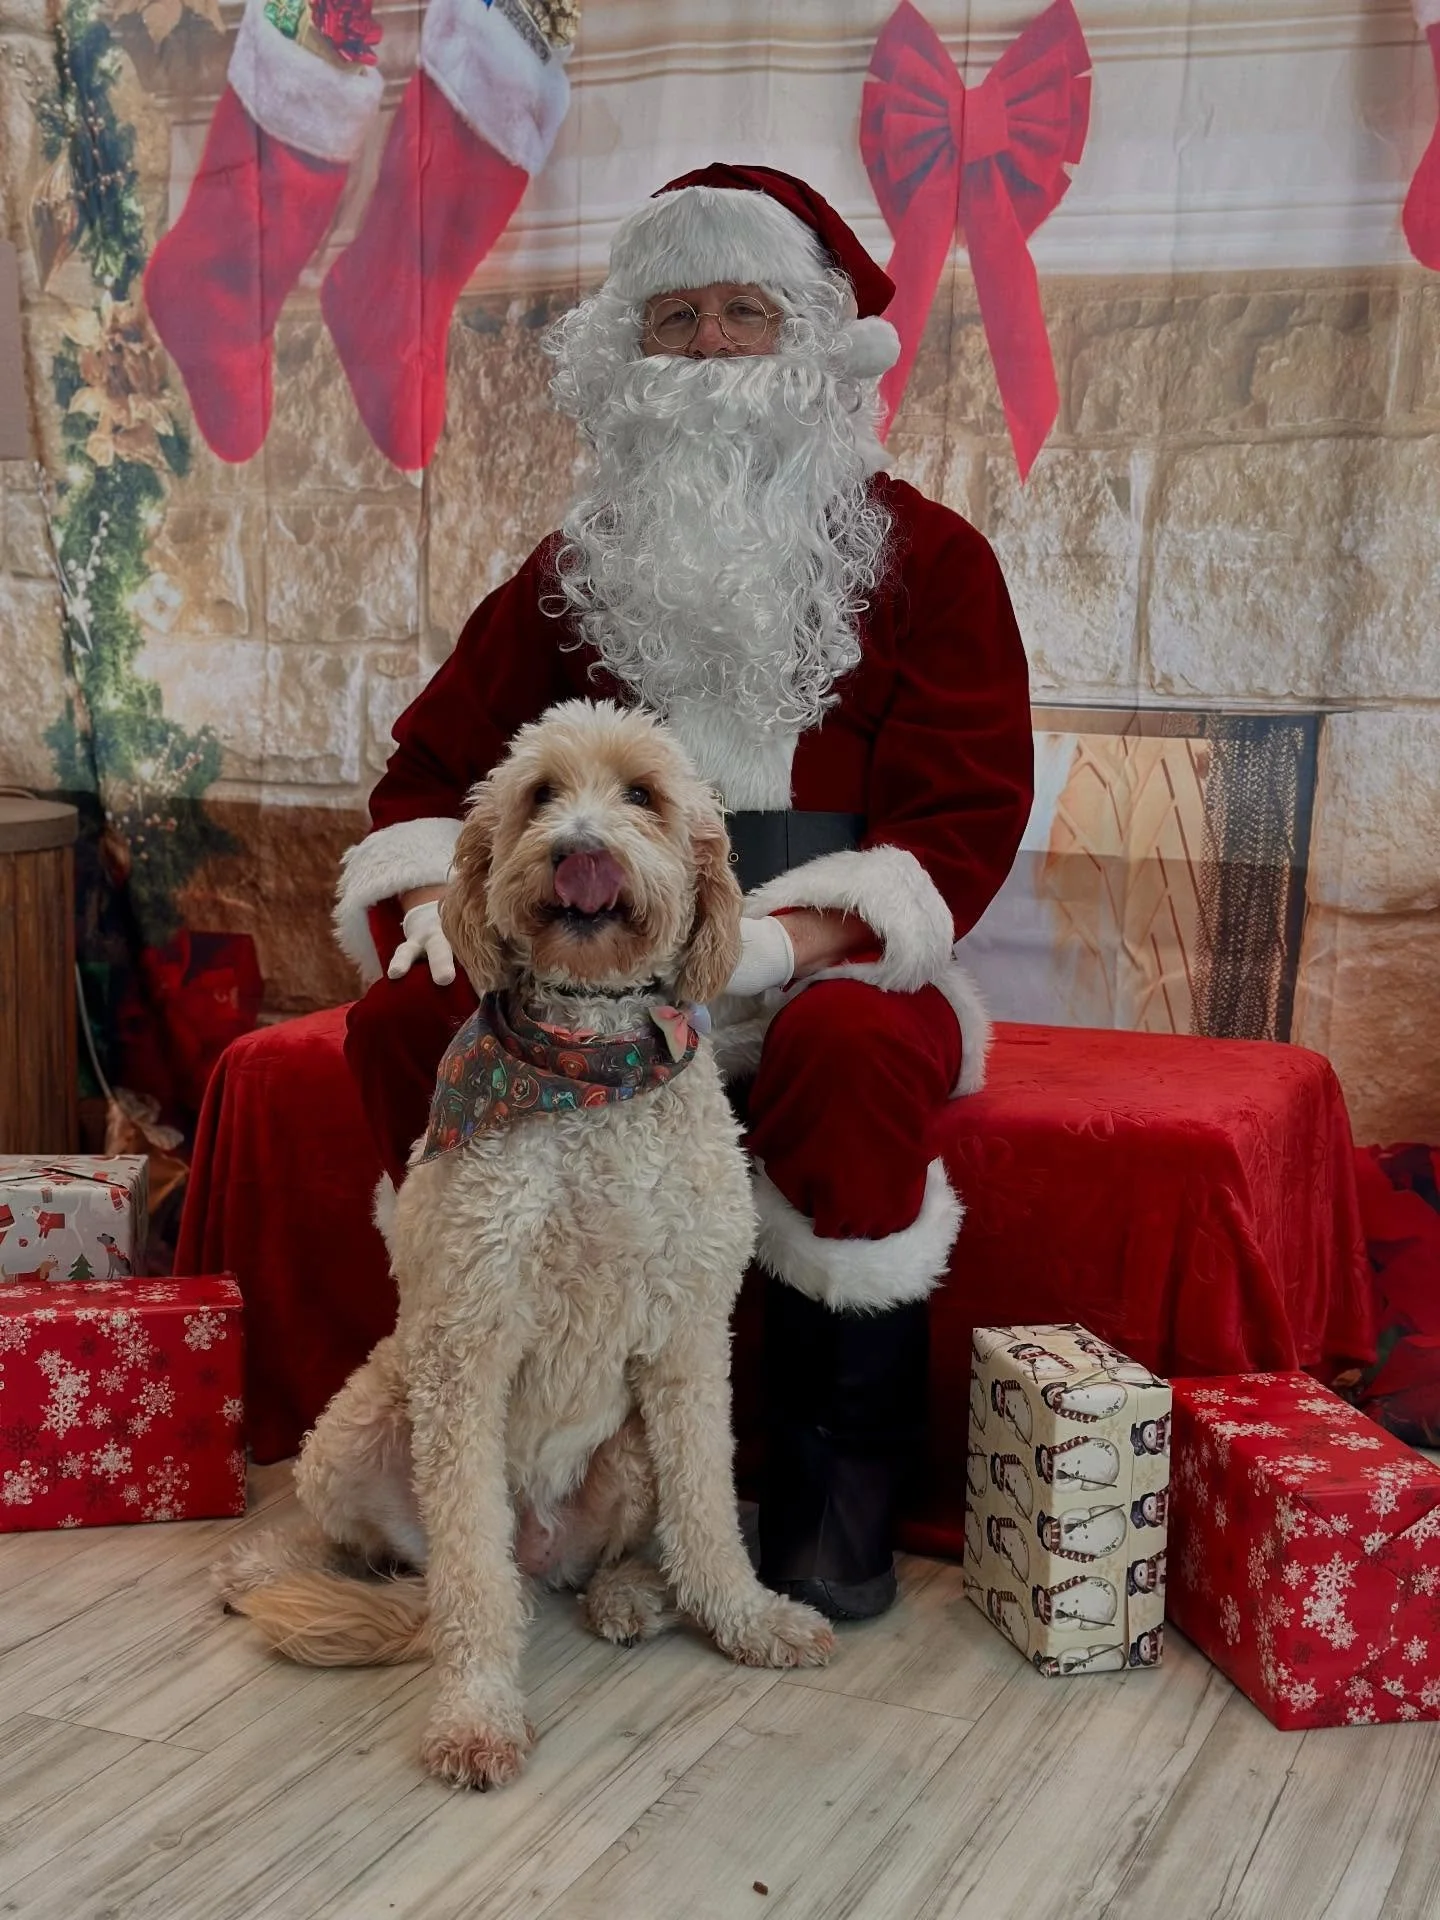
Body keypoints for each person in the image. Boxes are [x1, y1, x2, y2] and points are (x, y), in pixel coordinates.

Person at [335, 161, 1034, 1622]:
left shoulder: (933, 563)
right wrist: (425, 910)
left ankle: (831, 1488)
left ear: (817, 344)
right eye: (674, 319)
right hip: (581, 973)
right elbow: (429, 775)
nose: (711, 348)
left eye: (744, 313)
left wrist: (774, 944)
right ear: (627, 355)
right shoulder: (567, 576)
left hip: (835, 960)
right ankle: (483, 1442)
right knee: (408, 1021)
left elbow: (957, 828)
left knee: (845, 1055)